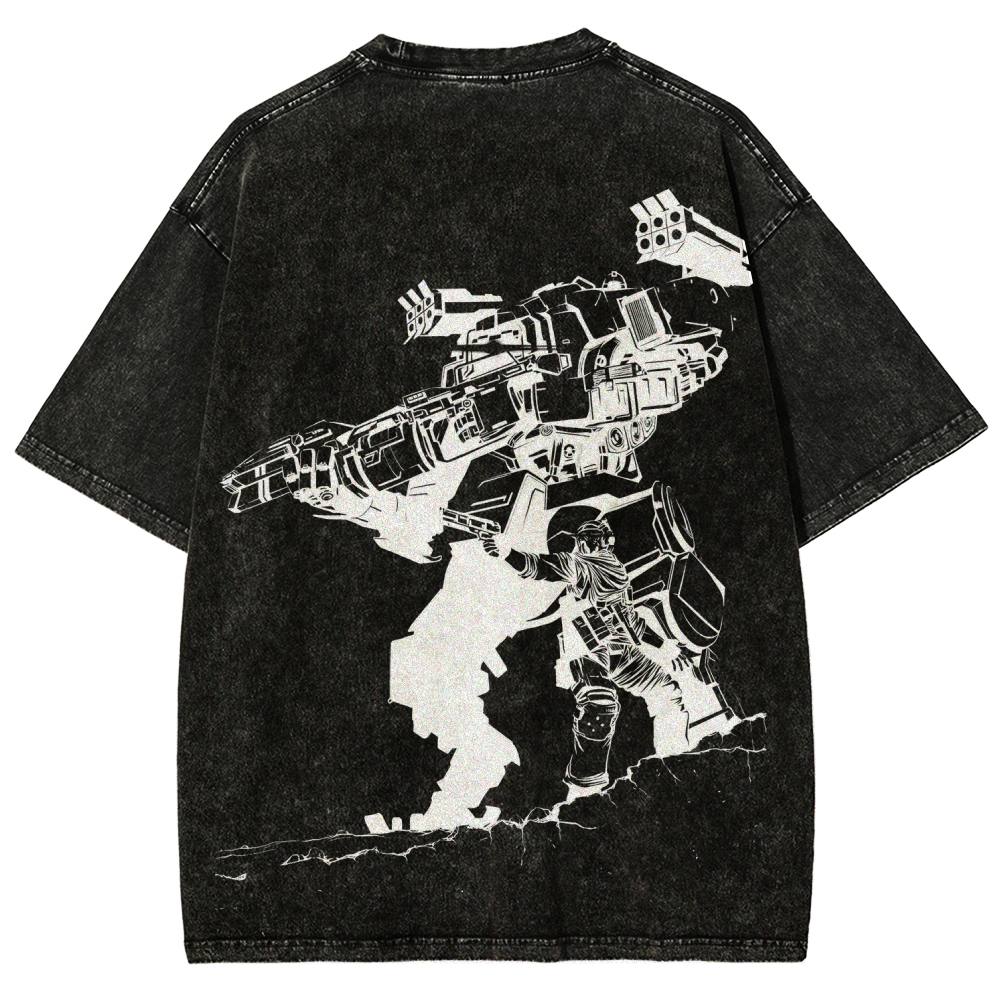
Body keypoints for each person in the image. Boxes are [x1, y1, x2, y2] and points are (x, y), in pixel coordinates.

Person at [482, 518, 686, 799]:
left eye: (594, 539)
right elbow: (540, 567)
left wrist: (663, 646)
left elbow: (630, 620)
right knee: (598, 708)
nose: (588, 545)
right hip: (589, 652)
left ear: (605, 542)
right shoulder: (577, 565)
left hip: (622, 651)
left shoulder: (616, 571)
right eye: (585, 539)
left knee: (667, 693)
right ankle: (584, 791)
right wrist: (508, 553)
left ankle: (675, 760)